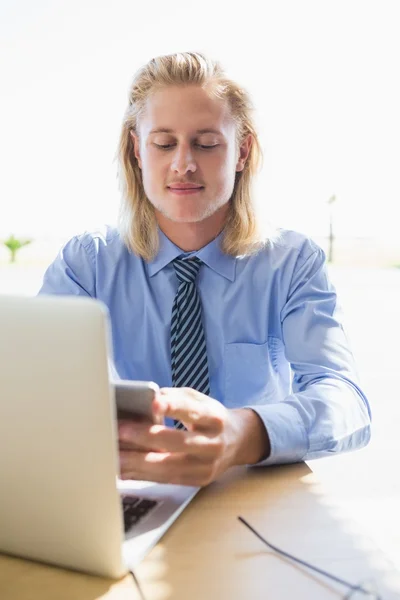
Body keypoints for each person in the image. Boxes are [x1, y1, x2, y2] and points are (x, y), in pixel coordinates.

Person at [38, 51, 371, 487]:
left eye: (207, 143)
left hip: (249, 486)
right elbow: (37, 392)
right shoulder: (87, 263)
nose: (183, 164)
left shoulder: (291, 262)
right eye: (163, 143)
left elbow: (345, 400)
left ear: (242, 150)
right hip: (131, 486)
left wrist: (243, 433)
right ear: (137, 151)